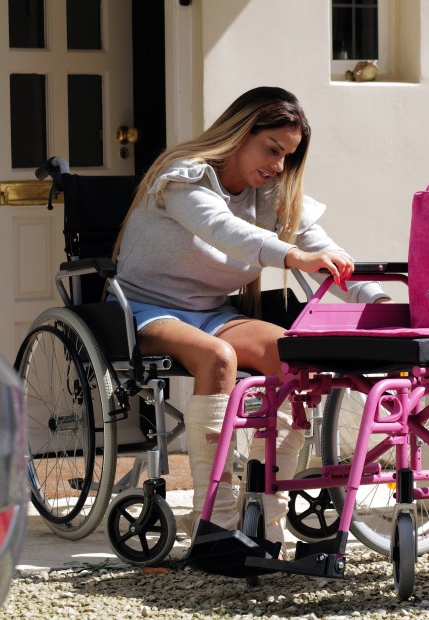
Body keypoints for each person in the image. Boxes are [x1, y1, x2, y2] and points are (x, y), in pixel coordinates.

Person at [112, 86, 391, 545]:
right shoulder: (184, 177)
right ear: (241, 132)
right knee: (218, 358)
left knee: (293, 357)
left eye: (287, 156)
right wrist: (290, 256)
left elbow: (323, 247)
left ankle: (264, 514)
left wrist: (373, 298)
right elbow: (223, 230)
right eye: (272, 149)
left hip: (213, 312)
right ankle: (216, 523)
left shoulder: (271, 191)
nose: (279, 165)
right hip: (145, 308)